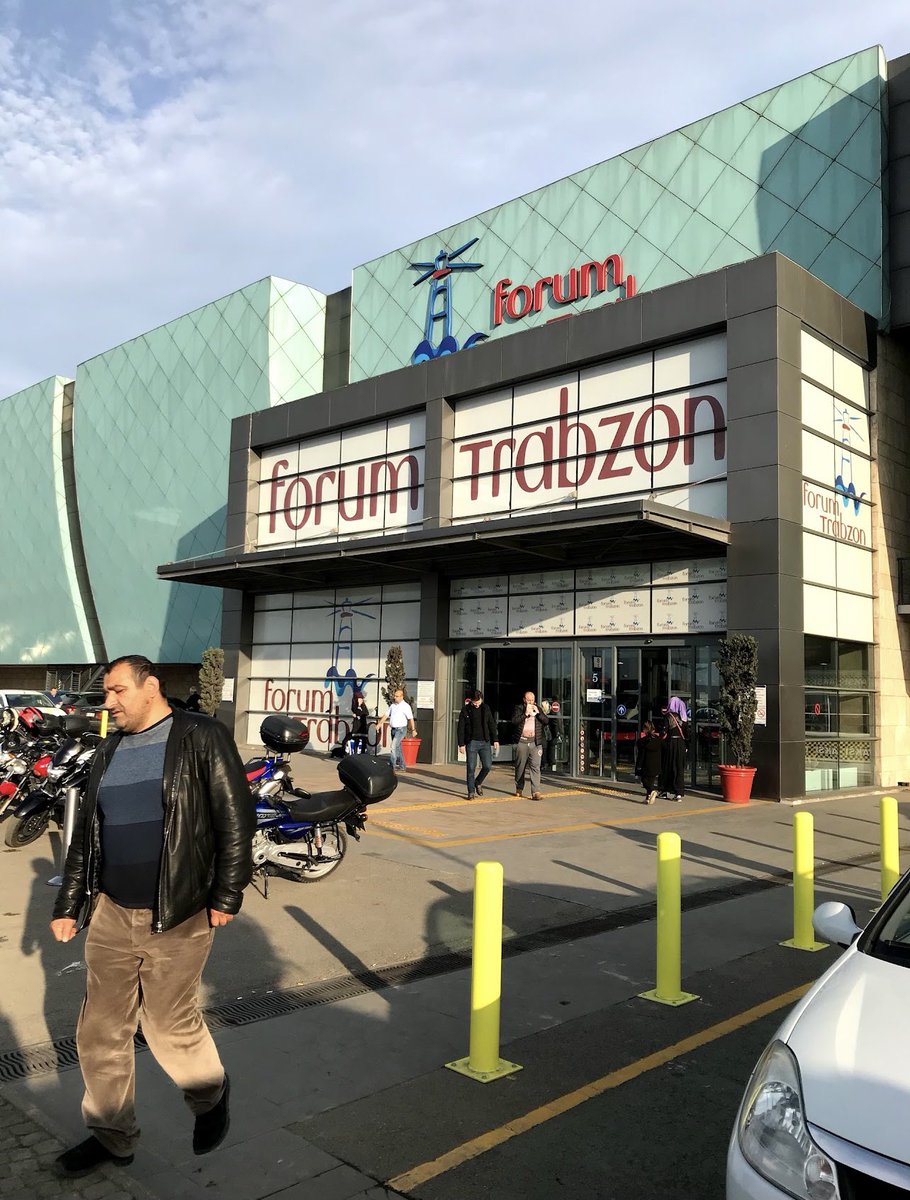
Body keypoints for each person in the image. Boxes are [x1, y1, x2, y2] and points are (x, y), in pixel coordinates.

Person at [49, 655, 255, 1178]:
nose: (109, 702)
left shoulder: (201, 736)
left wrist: (227, 894)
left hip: (179, 913)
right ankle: (112, 1135)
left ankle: (210, 1095)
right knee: (99, 1030)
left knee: (167, 1024)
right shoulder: (108, 750)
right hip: (111, 913)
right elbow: (86, 838)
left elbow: (236, 820)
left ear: (151, 686)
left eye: (117, 690)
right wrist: (69, 904)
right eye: (106, 693)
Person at [456, 689, 499, 799]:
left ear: (481, 699)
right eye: (474, 702)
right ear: (471, 700)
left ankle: (478, 781)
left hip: (485, 741)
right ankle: (471, 792)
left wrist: (495, 740)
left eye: (478, 702)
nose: (476, 704)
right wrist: (461, 744)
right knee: (471, 767)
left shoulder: (486, 708)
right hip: (471, 742)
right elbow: (460, 728)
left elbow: (491, 724)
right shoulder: (465, 710)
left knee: (487, 766)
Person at [511, 690, 549, 801]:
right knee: (520, 767)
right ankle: (519, 787)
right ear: (524, 700)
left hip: (535, 742)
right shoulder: (519, 708)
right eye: (529, 700)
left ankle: (536, 791)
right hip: (522, 741)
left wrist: (538, 714)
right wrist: (525, 714)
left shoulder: (538, 708)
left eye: (532, 700)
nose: (531, 702)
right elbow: (514, 721)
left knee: (535, 766)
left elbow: (546, 721)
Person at [377, 687, 416, 771]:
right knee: (398, 748)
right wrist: (380, 724)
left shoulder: (406, 706)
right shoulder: (393, 705)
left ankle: (392, 765)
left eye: (397, 696)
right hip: (393, 729)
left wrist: (413, 730)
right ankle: (402, 766)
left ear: (402, 697)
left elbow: (411, 718)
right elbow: (386, 715)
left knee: (393, 746)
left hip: (401, 729)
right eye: (395, 696)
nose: (395, 698)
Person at [659, 698, 688, 802]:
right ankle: (678, 793)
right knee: (679, 768)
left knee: (667, 767)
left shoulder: (668, 717)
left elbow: (664, 732)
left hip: (671, 743)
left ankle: (664, 790)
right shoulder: (683, 718)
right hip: (681, 744)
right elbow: (686, 733)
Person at [635, 720, 663, 804]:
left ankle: (651, 791)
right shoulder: (658, 740)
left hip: (646, 764)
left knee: (644, 780)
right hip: (656, 764)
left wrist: (639, 765)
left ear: (645, 729)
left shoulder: (643, 741)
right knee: (651, 781)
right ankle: (648, 797)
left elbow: (641, 754)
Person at [347, 689, 371, 754]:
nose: (361, 699)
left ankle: (363, 753)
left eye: (361, 698)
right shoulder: (355, 706)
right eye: (360, 698)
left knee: (363, 739)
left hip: (363, 724)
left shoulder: (363, 706)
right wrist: (358, 708)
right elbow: (356, 711)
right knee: (356, 739)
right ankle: (355, 752)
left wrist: (360, 708)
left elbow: (366, 713)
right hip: (357, 724)